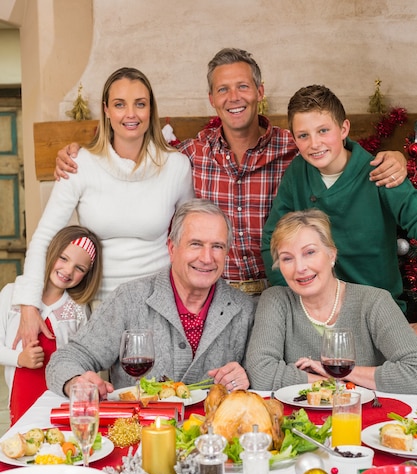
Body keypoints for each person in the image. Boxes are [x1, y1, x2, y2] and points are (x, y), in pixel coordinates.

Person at [54, 50, 406, 297]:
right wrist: (80, 152)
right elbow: (134, 160)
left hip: (280, 291)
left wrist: (394, 160)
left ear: (259, 92)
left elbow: (337, 154)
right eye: (222, 89)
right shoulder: (189, 156)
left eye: (242, 86)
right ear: (211, 98)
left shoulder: (294, 149)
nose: (233, 97)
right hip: (214, 295)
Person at [14, 66, 194, 348]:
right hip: (97, 306)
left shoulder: (176, 166)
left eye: (140, 104)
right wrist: (28, 304)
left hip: (160, 303)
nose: (130, 114)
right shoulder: (80, 165)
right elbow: (45, 236)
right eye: (120, 104)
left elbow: (188, 239)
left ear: (151, 110)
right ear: (106, 110)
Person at [46, 199, 255, 399]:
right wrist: (76, 382)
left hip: (214, 434)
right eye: (196, 244)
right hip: (139, 431)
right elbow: (66, 359)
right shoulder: (129, 299)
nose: (207, 258)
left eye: (217, 246)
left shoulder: (245, 309)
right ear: (172, 249)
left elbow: (260, 380)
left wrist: (245, 378)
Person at [262, 84, 417, 313]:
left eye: (323, 131)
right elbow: (271, 241)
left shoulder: (380, 171)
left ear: (344, 128)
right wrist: (294, 294)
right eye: (303, 135)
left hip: (377, 308)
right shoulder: (297, 173)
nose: (314, 144)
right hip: (316, 309)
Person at [246, 210, 417, 393]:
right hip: (296, 421)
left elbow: (413, 372)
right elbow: (261, 373)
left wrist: (341, 373)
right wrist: (328, 383)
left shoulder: (374, 302)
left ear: (331, 255)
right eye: (287, 258)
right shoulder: (276, 301)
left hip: (367, 420)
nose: (300, 268)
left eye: (310, 252)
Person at [0, 225, 102, 423]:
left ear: (87, 274)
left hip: (60, 401)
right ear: (51, 252)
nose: (68, 270)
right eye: (63, 258)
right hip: (21, 400)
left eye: (79, 268)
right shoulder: (11, 294)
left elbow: (85, 358)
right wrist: (20, 358)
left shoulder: (78, 310)